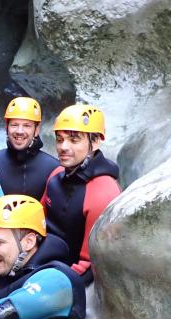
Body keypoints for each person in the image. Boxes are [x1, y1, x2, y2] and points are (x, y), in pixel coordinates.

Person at [41, 104, 121, 285]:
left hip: (70, 278)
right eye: (59, 139)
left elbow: (89, 265)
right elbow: (35, 222)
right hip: (44, 261)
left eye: (74, 140)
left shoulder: (103, 192)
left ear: (96, 141)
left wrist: (46, 283)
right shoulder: (56, 175)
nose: (63, 147)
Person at [0, 97, 59, 200]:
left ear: (36, 130)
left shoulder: (55, 169)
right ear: (6, 127)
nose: (20, 131)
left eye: (27, 126)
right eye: (14, 125)